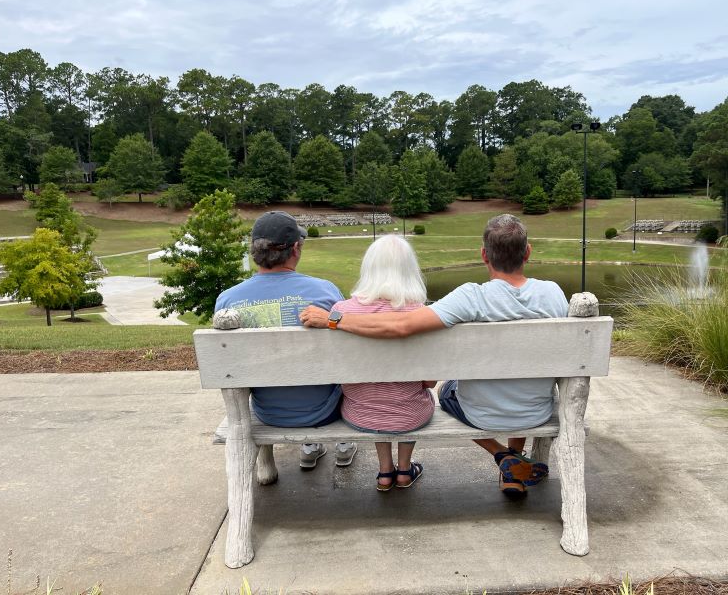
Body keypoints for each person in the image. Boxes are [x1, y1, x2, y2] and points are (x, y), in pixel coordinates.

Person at [300, 214, 568, 494]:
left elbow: (402, 325)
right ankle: (512, 463)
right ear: (527, 252)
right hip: (536, 411)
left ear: (483, 255)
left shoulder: (470, 297)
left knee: (447, 392)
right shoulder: (554, 293)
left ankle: (504, 457)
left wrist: (336, 320)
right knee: (520, 379)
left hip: (480, 414)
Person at [215, 211, 356, 469]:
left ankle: (310, 447)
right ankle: (341, 445)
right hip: (324, 411)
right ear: (295, 249)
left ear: (254, 251)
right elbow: (346, 352)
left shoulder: (227, 301)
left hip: (267, 412)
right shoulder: (326, 291)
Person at [330, 236, 435, 490]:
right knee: (412, 394)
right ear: (410, 271)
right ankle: (404, 470)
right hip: (411, 416)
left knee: (373, 392)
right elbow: (430, 381)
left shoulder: (340, 312)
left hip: (360, 413)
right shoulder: (421, 314)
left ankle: (385, 472)